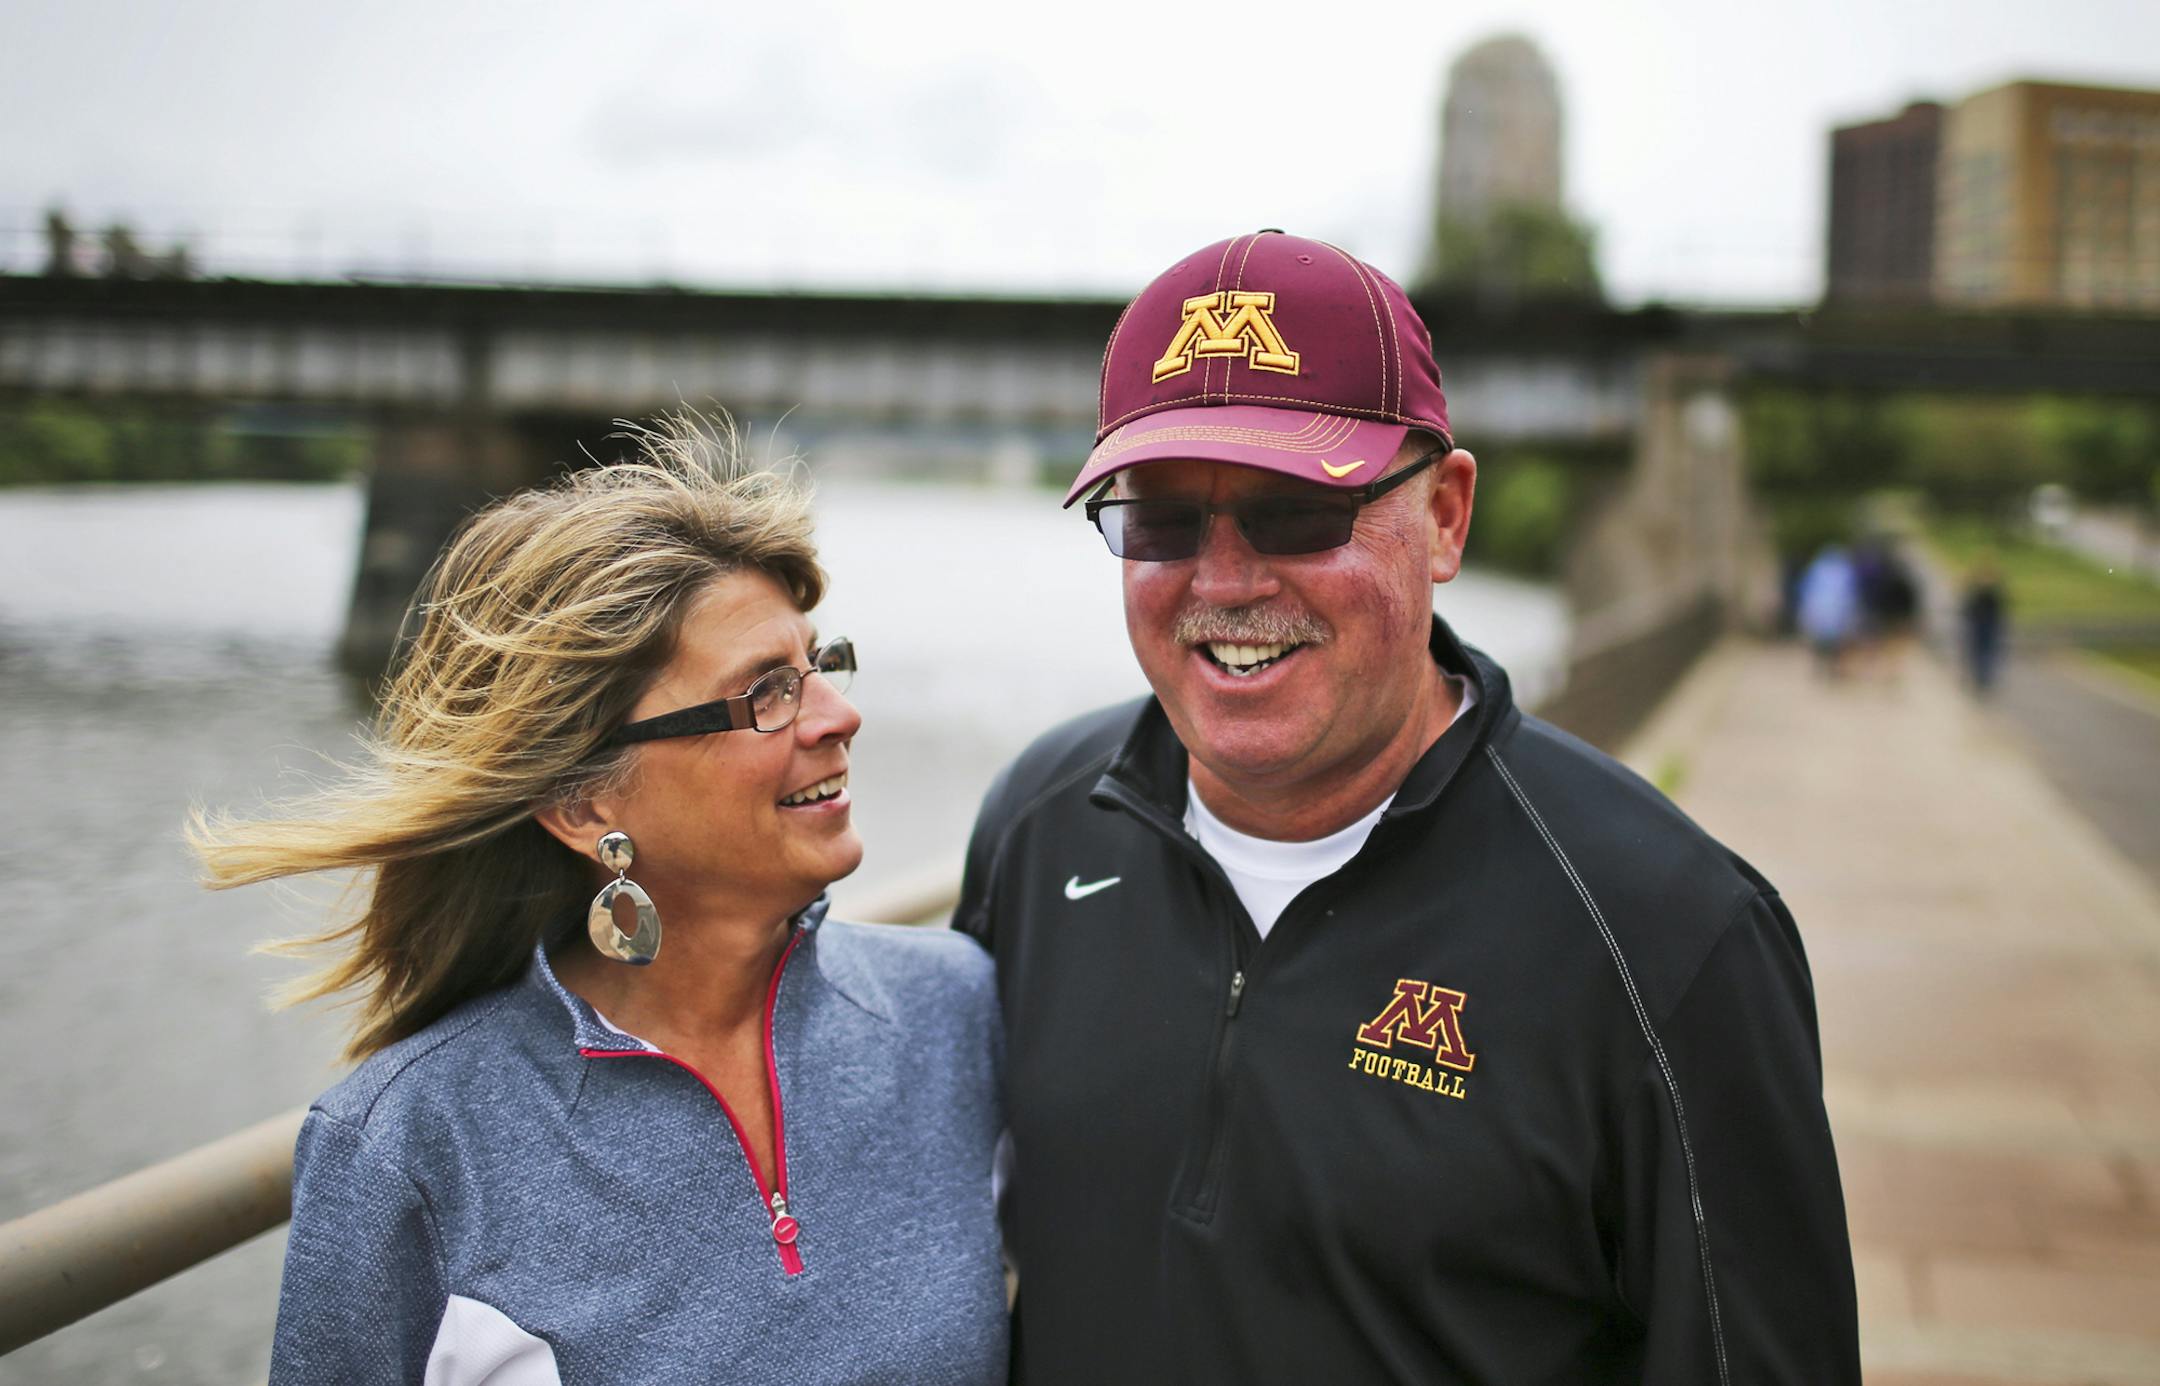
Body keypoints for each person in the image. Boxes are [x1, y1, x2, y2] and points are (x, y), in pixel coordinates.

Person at [956, 231, 1858, 1384]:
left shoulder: (1670, 935)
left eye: (1295, 512)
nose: (1225, 582)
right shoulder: (1039, 825)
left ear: (1444, 516)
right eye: (1163, 520)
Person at [194, 416, 1007, 1384]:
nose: (841, 715)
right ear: (584, 803)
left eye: (819, 666)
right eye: (767, 693)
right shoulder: (410, 1143)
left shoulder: (953, 1008)